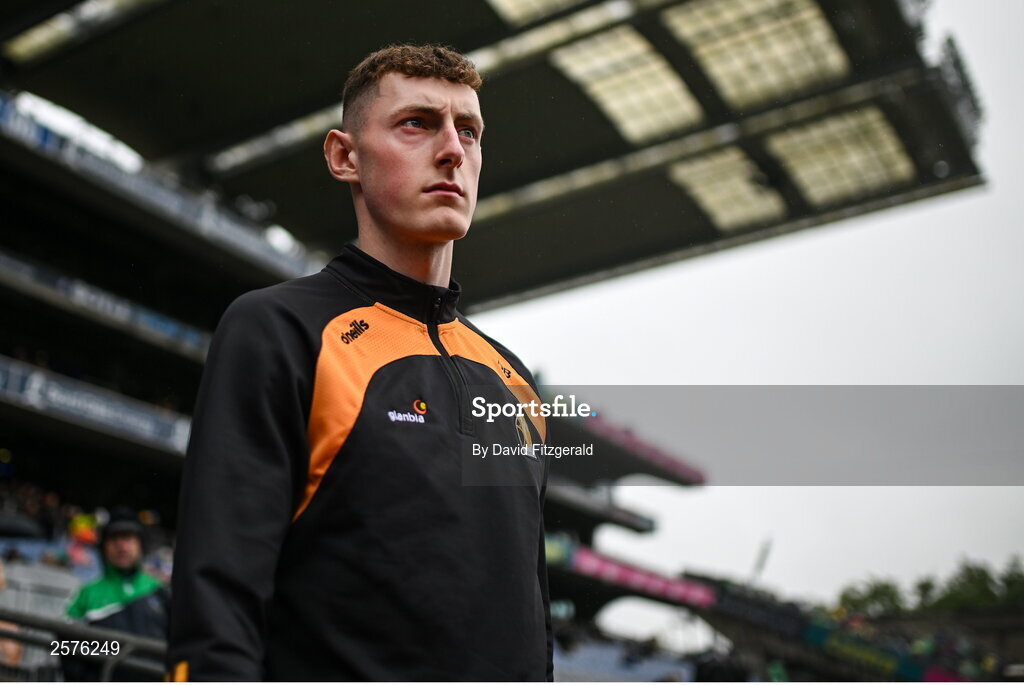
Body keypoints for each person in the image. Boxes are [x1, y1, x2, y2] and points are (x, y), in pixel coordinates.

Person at [167, 44, 553, 681]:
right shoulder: (278, 328)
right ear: (345, 156)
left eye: (470, 131)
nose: (454, 150)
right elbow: (218, 598)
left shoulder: (516, 383)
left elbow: (529, 621)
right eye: (417, 123)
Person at [64, 510, 169, 680]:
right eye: (114, 539)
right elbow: (63, 646)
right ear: (104, 546)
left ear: (140, 544)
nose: (121, 546)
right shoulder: (87, 593)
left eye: (128, 538)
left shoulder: (160, 592)